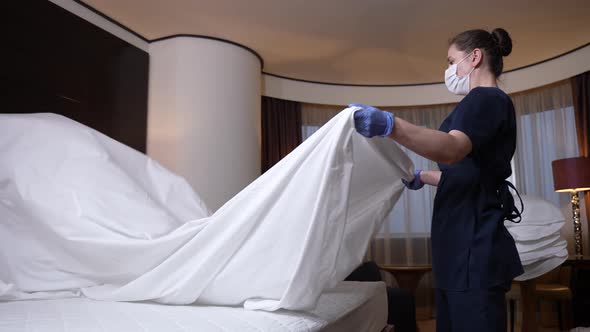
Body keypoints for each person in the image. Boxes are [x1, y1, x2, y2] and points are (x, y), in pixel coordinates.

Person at [350, 28, 524, 332]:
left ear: (475, 57)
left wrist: (391, 126)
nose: (447, 70)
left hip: (472, 246)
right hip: (462, 246)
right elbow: (470, 174)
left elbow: (453, 149)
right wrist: (423, 177)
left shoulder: (484, 99)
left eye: (451, 60)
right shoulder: (484, 103)